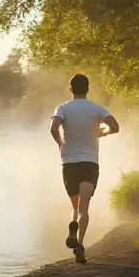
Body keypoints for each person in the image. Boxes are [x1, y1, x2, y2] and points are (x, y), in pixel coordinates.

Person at [48, 73, 120, 264]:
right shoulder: (96, 108)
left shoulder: (62, 108)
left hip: (69, 162)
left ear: (70, 88)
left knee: (74, 206)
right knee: (84, 209)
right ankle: (79, 244)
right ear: (87, 89)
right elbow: (115, 126)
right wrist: (103, 133)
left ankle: (72, 226)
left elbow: (53, 128)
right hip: (90, 162)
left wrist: (60, 142)